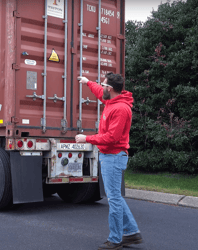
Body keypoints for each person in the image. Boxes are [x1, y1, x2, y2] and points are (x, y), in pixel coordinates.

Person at [76, 73, 143, 250]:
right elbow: (99, 92)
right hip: (110, 156)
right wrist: (87, 82)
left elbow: (112, 137)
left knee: (113, 199)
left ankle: (115, 239)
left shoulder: (120, 109)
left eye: (103, 84)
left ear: (110, 89)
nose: (101, 87)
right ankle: (132, 233)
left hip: (113, 156)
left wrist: (87, 139)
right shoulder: (112, 100)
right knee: (116, 198)